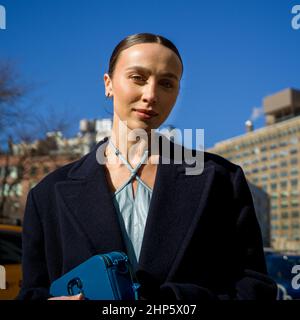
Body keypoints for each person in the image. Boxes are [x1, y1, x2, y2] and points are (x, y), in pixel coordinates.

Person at [17, 33, 277, 300]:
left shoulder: (221, 180)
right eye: (137, 78)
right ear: (108, 84)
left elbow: (254, 287)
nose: (151, 95)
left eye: (166, 83)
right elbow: (32, 292)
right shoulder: (47, 194)